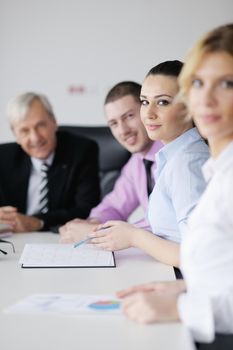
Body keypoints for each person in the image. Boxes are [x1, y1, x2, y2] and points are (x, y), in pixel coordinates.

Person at [117, 23, 233, 345]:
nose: (206, 98)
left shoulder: (193, 163)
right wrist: (183, 288)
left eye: (226, 84)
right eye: (198, 83)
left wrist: (182, 306)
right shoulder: (214, 166)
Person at [89, 60, 209, 268]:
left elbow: (199, 256)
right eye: (144, 102)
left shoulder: (187, 163)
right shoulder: (172, 156)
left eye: (162, 102)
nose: (149, 113)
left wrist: (134, 236)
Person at [59, 81, 163, 242]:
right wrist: (93, 223)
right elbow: (114, 206)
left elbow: (165, 225)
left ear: (145, 111)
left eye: (129, 116)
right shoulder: (137, 162)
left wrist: (96, 232)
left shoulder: (171, 155)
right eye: (114, 123)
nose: (123, 130)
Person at [0, 92, 100, 232]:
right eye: (24, 131)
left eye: (40, 125)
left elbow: (86, 210)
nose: (35, 138)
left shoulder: (81, 151)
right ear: (15, 135)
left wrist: (38, 222)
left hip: (59, 238)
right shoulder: (3, 158)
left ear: (54, 122)